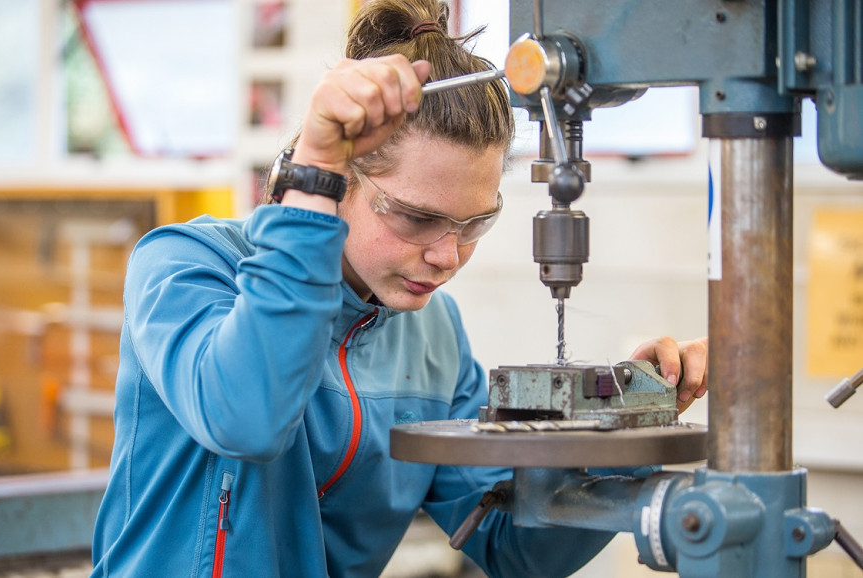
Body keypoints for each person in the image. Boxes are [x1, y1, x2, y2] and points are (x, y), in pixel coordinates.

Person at [90, 0, 709, 576]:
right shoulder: (185, 267)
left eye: (475, 224)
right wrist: (311, 179)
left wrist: (626, 425)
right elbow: (248, 418)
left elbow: (511, 543)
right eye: (415, 218)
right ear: (339, 180)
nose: (446, 257)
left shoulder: (433, 336)